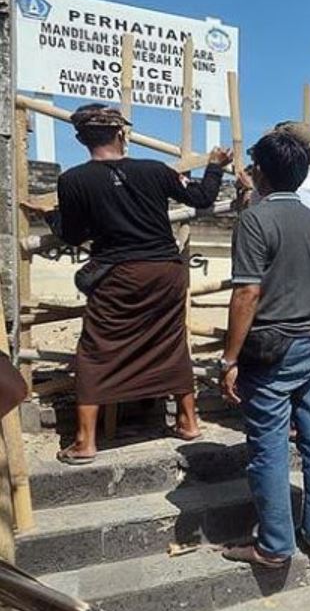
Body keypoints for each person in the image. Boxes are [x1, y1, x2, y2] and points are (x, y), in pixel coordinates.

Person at [22, 103, 232, 464]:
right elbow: (202, 198)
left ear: (81, 139)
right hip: (165, 271)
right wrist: (215, 166)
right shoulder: (155, 170)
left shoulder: (73, 180)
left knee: (97, 348)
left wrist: (52, 216)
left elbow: (73, 234)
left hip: (119, 274)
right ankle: (188, 420)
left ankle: (86, 441)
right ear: (122, 134)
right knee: (169, 340)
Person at [221, 131, 310, 568]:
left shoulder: (255, 220)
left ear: (261, 173)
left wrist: (229, 358)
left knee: (268, 445)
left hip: (273, 349)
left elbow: (246, 294)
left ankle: (273, 545)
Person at [236, 120, 310, 408]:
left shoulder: (275, 186)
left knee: (274, 369)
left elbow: (257, 213)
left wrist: (247, 190)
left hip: (279, 277)